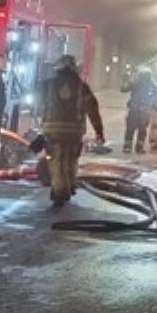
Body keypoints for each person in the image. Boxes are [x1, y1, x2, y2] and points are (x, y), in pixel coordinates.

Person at [38, 55, 105, 208]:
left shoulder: (47, 85)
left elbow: (37, 104)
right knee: (71, 159)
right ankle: (69, 186)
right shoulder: (82, 86)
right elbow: (93, 110)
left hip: (52, 130)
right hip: (75, 131)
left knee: (56, 160)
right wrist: (99, 131)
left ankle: (59, 191)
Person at [121, 69, 157, 154]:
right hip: (142, 109)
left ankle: (129, 146)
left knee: (131, 128)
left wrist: (127, 80)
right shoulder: (151, 84)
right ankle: (138, 147)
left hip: (136, 109)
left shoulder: (136, 83)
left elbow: (123, 89)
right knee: (141, 129)